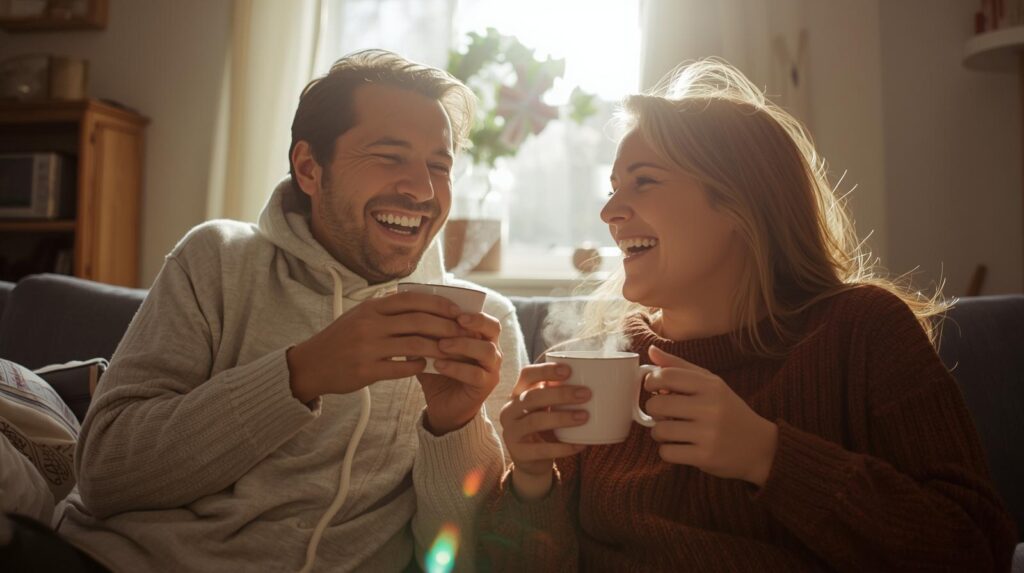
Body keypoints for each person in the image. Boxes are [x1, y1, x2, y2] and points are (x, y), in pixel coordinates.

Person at [478, 59, 1017, 572]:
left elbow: (974, 552)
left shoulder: (863, 333)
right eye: (613, 187)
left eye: (643, 181)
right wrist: (530, 481)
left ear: (741, 203)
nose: (609, 212)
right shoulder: (593, 367)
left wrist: (768, 455)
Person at [7, 49, 526, 572]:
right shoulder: (217, 260)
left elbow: (462, 557)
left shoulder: (481, 324)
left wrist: (456, 426)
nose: (422, 189)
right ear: (308, 167)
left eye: (440, 166)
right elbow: (103, 475)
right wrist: (300, 374)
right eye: (390, 156)